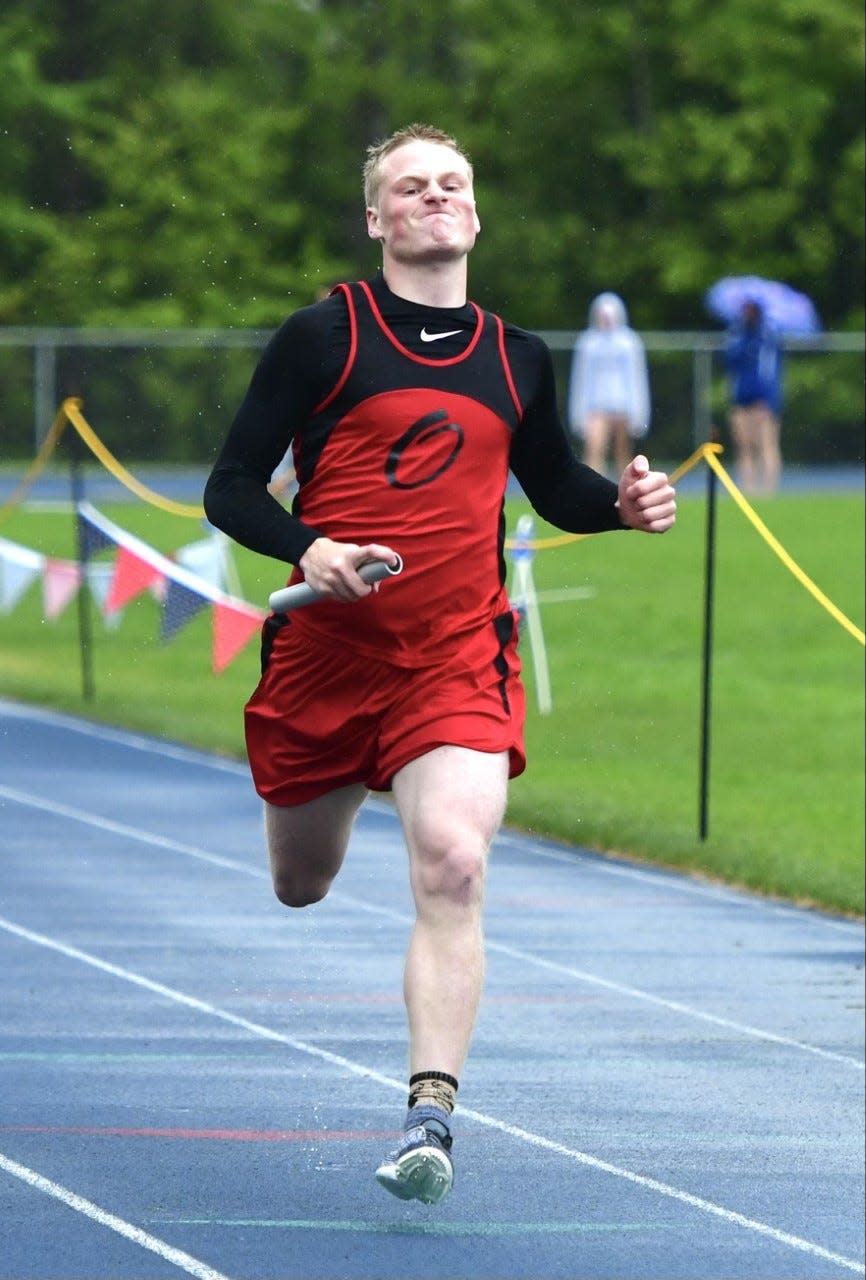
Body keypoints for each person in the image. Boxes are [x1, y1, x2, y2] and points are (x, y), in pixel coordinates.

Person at [203, 123, 676, 1207]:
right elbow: (229, 487)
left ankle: (429, 1113)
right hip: (324, 655)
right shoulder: (322, 337)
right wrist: (308, 548)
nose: (432, 198)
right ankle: (363, 781)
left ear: (474, 213)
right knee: (299, 882)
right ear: (376, 218)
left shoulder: (517, 357)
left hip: (454, 654)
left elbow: (553, 481)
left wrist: (621, 505)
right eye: (408, 188)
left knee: (454, 859)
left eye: (449, 184)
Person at [567, 292, 651, 476]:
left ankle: (629, 493)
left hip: (622, 406)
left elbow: (636, 380)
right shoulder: (588, 343)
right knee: (594, 452)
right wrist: (579, 415)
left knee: (624, 456)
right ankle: (590, 492)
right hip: (596, 407)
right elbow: (581, 381)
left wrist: (638, 414)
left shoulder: (628, 342)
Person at [724, 299, 784, 494]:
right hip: (741, 398)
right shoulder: (738, 335)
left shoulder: (767, 336)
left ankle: (768, 489)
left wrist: (768, 400)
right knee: (744, 445)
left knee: (766, 443)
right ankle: (748, 490)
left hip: (762, 400)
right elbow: (730, 363)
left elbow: (770, 372)